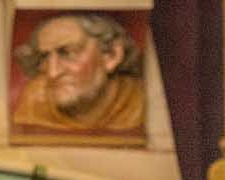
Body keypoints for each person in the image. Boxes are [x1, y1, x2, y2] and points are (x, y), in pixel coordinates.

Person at [10, 12, 146, 136]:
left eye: (68, 53)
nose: (53, 73)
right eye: (44, 57)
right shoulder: (35, 102)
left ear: (111, 56)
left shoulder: (140, 102)